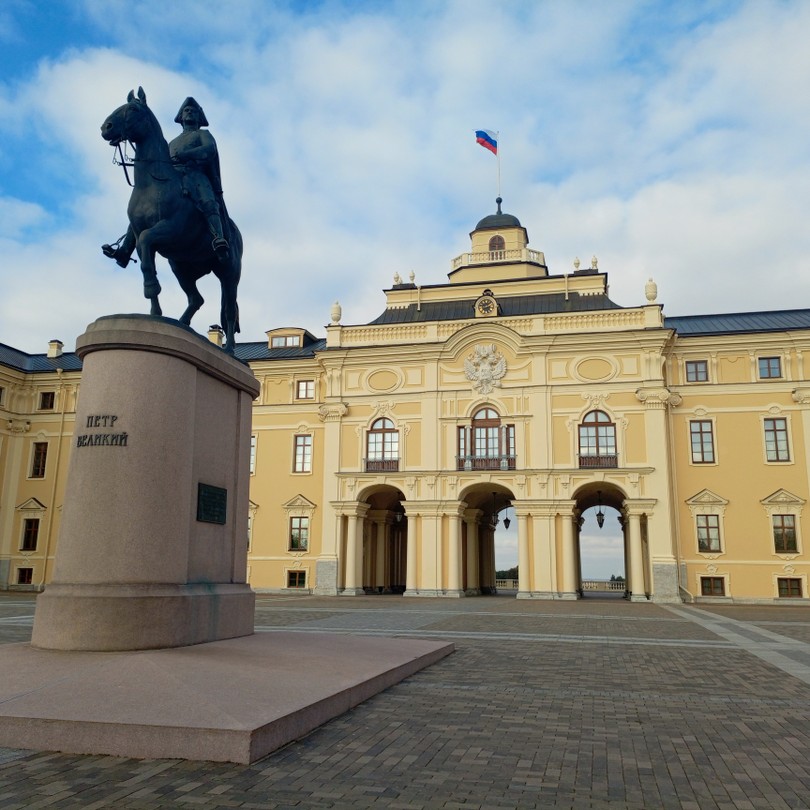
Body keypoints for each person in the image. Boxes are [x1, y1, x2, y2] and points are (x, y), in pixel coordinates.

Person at [169, 97, 230, 261]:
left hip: (195, 175)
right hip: (174, 178)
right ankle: (125, 249)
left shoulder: (203, 134)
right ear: (181, 117)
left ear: (198, 117)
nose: (189, 112)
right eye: (186, 110)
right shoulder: (172, 143)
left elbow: (209, 150)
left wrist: (187, 154)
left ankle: (218, 237)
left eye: (193, 111)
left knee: (208, 201)